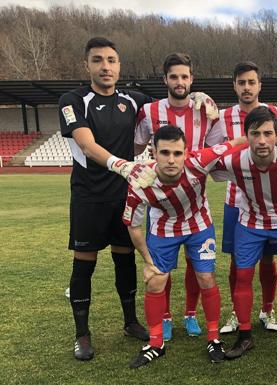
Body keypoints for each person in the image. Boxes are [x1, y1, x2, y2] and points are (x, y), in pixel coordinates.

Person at [59, 37, 157, 361]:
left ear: (119, 65)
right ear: (87, 64)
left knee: (124, 259)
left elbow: (169, 109)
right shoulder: (73, 100)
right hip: (89, 197)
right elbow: (86, 145)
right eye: (98, 60)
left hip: (124, 196)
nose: (105, 66)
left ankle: (130, 323)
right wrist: (122, 165)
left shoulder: (134, 99)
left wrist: (198, 99)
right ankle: (82, 335)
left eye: (111, 60)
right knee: (84, 265)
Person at [124, 125, 244, 368]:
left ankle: (213, 337)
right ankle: (156, 343)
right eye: (165, 152)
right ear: (153, 153)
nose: (171, 159)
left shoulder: (199, 161)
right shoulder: (140, 182)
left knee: (206, 277)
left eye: (177, 153)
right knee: (156, 279)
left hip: (199, 226)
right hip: (164, 229)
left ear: (186, 152)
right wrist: (147, 262)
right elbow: (133, 226)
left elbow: (237, 142)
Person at [211, 106, 277, 359]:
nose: (261, 140)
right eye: (255, 133)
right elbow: (201, 162)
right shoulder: (234, 160)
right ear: (246, 135)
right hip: (250, 224)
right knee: (243, 275)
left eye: (268, 133)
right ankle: (245, 336)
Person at [134, 53, 220, 341]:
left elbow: (218, 146)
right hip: (162, 207)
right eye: (174, 77)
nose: (180, 82)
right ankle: (166, 317)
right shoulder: (148, 112)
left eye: (185, 77)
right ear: (165, 80)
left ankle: (191, 314)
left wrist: (211, 105)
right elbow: (136, 148)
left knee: (198, 266)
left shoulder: (204, 109)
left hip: (196, 202)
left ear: (192, 80)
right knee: (163, 269)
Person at [213, 62, 277, 334]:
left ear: (259, 85)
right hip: (237, 201)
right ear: (234, 85)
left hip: (270, 203)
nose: (246, 87)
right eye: (241, 82)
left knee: (268, 260)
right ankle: (236, 312)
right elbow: (216, 153)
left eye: (251, 82)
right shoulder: (221, 118)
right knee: (237, 261)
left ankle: (268, 310)